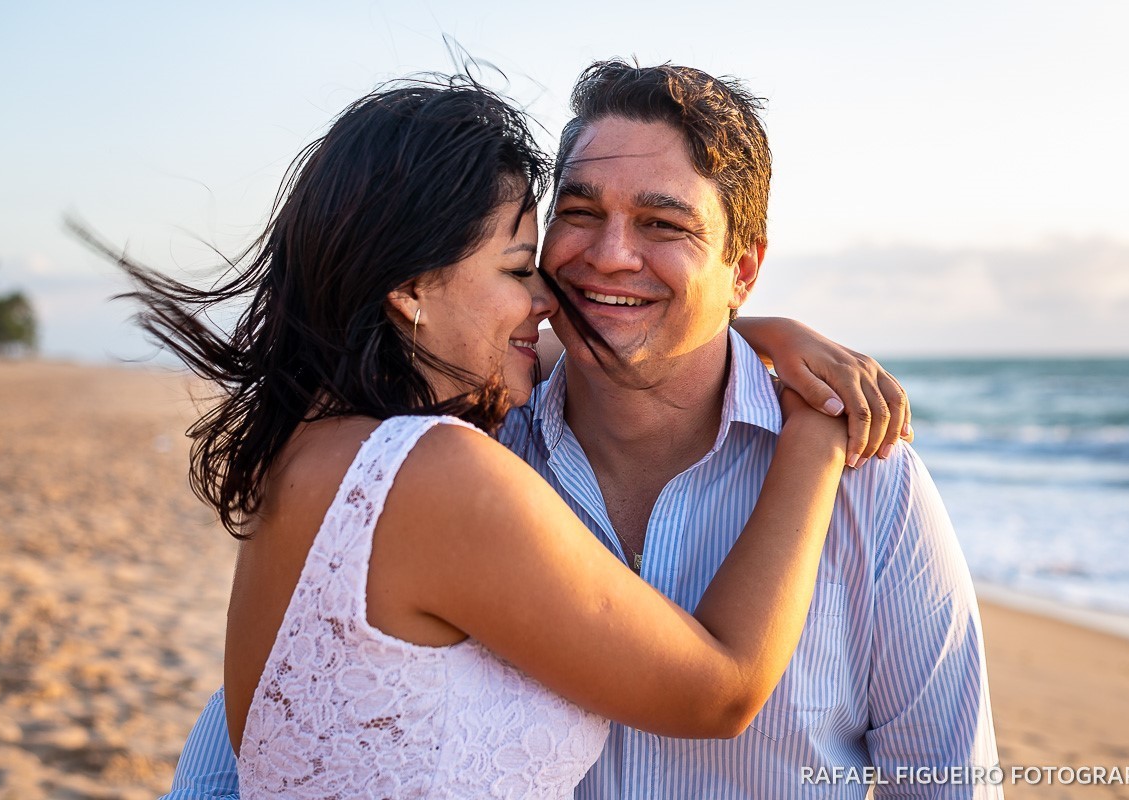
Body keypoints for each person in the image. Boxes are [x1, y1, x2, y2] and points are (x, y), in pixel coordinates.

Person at [163, 61, 999, 799]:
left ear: (742, 268)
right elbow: (248, 747)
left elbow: (947, 780)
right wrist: (797, 413)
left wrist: (747, 342)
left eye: (663, 225)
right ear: (410, 286)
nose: (608, 255)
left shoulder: (873, 486)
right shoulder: (463, 456)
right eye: (578, 214)